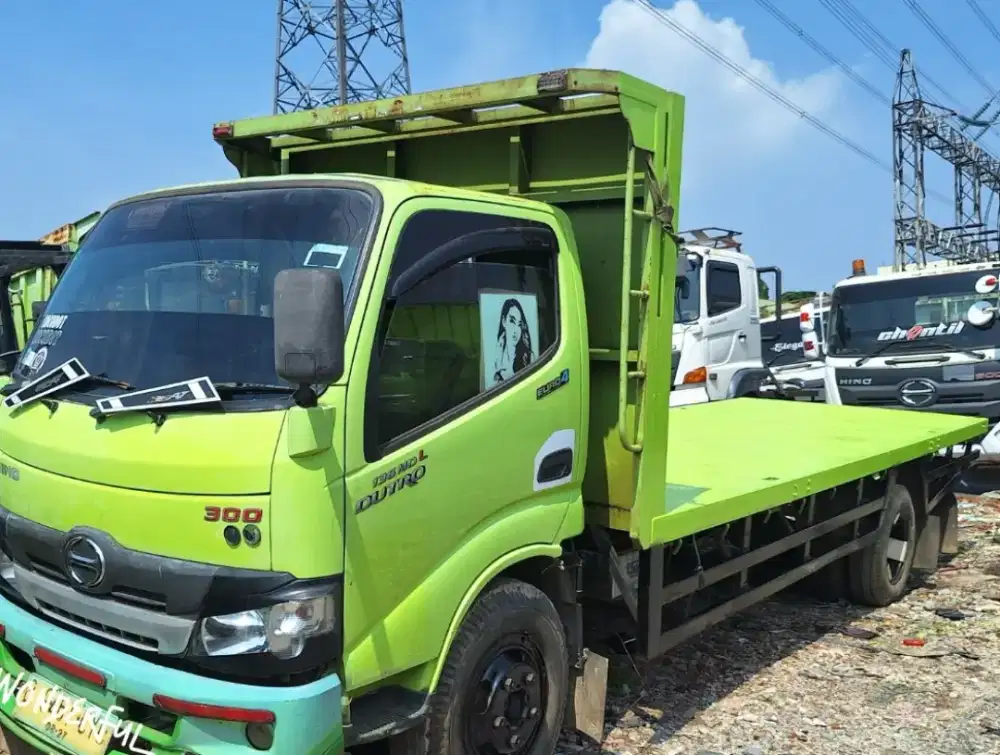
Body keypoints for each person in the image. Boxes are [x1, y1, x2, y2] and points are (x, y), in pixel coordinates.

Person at [492, 297, 533, 384]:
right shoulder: (496, 356)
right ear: (504, 321)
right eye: (512, 321)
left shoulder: (528, 356)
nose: (516, 330)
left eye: (519, 324)